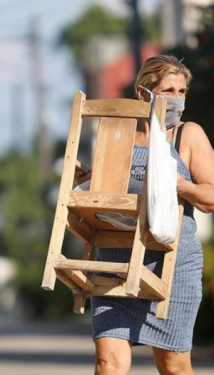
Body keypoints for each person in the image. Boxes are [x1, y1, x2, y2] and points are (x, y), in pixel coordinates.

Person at [87, 55, 214, 375]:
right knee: (108, 362)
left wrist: (180, 184)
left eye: (182, 91)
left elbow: (211, 198)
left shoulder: (189, 135)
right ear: (143, 92)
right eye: (168, 90)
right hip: (116, 261)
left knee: (173, 366)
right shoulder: (118, 133)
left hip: (171, 266)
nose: (176, 98)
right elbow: (104, 194)